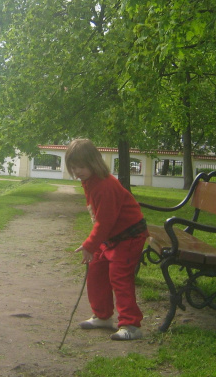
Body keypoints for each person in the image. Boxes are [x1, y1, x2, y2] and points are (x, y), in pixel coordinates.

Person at [65, 138, 148, 341]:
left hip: (129, 235)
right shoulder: (90, 182)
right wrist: (93, 247)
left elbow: (105, 221)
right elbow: (101, 221)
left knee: (119, 276)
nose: (78, 171)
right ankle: (102, 316)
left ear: (94, 162)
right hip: (112, 235)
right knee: (96, 270)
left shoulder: (105, 185)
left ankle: (131, 324)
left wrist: (89, 245)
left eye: (82, 166)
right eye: (74, 167)